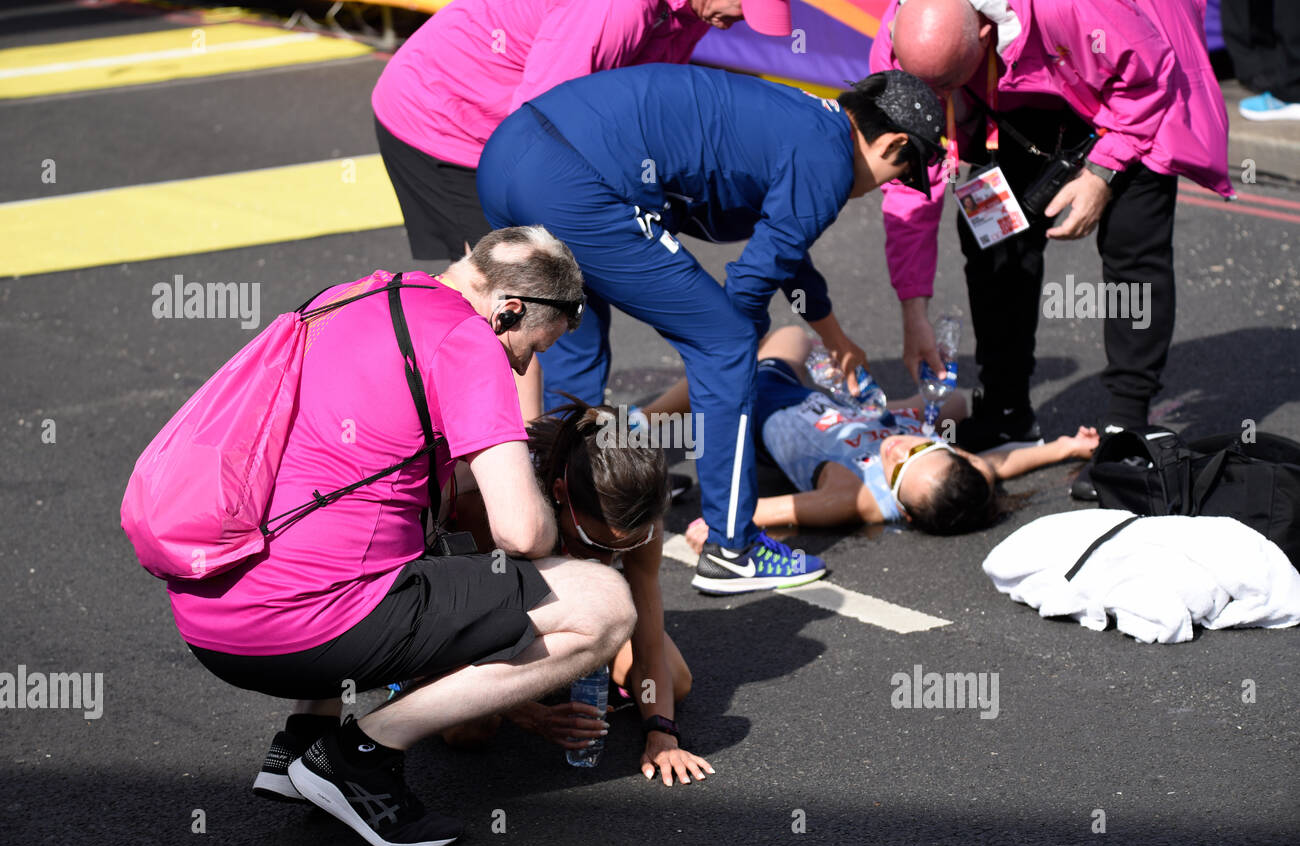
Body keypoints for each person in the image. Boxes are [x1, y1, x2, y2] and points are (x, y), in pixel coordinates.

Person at [169, 227, 638, 846]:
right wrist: (545, 500)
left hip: (212, 610)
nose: (522, 366)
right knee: (603, 604)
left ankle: (302, 743)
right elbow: (521, 532)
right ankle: (357, 757)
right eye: (530, 349)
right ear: (509, 309)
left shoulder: (352, 296)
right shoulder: (470, 342)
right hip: (295, 628)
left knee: (392, 529)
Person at [477, 64, 947, 593]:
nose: (891, 187)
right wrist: (732, 363)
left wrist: (834, 337)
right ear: (894, 142)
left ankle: (580, 504)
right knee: (726, 341)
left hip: (507, 157)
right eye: (905, 173)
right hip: (578, 182)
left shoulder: (807, 120)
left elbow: (785, 250)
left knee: (572, 338)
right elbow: (748, 289)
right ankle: (732, 546)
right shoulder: (832, 159)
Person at [868, 0, 1233, 499]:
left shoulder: (1076, 9)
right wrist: (914, 310)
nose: (938, 102)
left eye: (948, 85)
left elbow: (1148, 80)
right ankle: (1005, 408)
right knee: (989, 232)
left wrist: (1103, 173)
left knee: (1133, 249)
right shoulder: (900, 41)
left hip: (1134, 89)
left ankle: (1126, 433)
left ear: (982, 30)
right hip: (1024, 90)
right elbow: (911, 184)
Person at [372, 0, 792, 261]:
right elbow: (535, 123)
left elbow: (639, 98)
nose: (741, 20)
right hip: (444, 120)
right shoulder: (615, 7)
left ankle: (546, 401)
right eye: (746, 5)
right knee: (513, 288)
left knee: (556, 287)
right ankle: (475, 397)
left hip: (505, 116)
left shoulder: (700, 10)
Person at [443, 401, 715, 786]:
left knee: (673, 680)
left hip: (551, 607)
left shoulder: (636, 514)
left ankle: (564, 671)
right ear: (557, 494)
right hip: (481, 614)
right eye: (592, 543)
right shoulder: (490, 503)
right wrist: (532, 715)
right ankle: (543, 675)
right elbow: (461, 631)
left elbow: (649, 638)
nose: (604, 563)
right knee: (471, 728)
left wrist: (662, 732)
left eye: (616, 551)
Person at [672, 325, 1099, 543]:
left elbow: (772, 509)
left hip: (767, 405)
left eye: (897, 471)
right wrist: (1066, 447)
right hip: (828, 410)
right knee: (955, 405)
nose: (897, 452)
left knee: (735, 354)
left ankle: (641, 421)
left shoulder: (860, 499)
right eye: (922, 449)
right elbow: (997, 464)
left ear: (905, 512)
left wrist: (718, 526)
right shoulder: (949, 473)